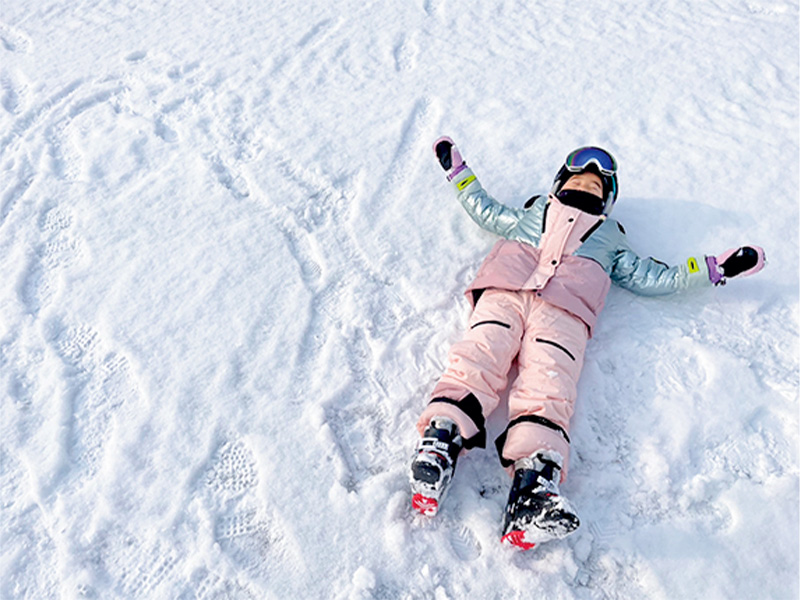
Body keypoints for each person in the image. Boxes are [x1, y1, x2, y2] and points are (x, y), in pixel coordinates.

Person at [409, 138, 766, 551]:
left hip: (564, 313)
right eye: (580, 176)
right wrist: (459, 172)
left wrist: (715, 269)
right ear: (561, 182)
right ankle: (441, 442)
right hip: (507, 290)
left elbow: (654, 277)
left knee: (550, 385)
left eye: (598, 185)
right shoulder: (532, 211)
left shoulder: (611, 237)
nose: (588, 185)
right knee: (479, 355)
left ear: (608, 201)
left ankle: (533, 490)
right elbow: (485, 209)